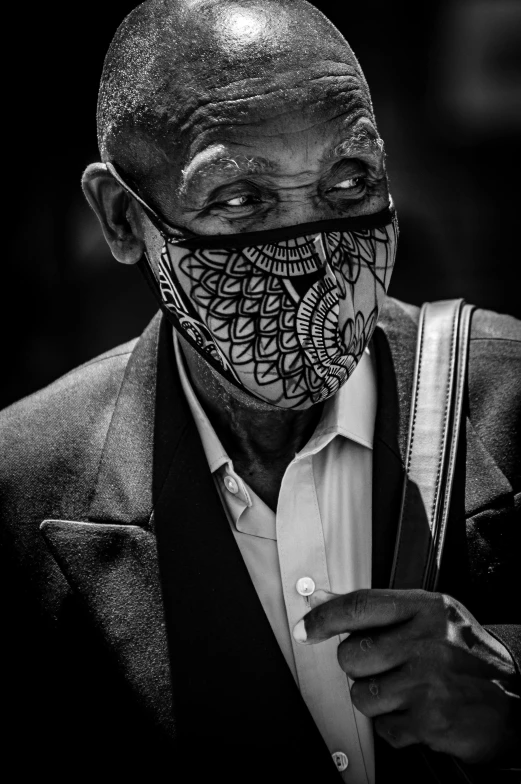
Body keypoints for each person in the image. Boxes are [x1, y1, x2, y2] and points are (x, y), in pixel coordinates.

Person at [0, 1, 519, 782]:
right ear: (120, 217)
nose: (314, 251)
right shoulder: (20, 484)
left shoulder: (512, 398)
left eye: (348, 182)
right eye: (240, 199)